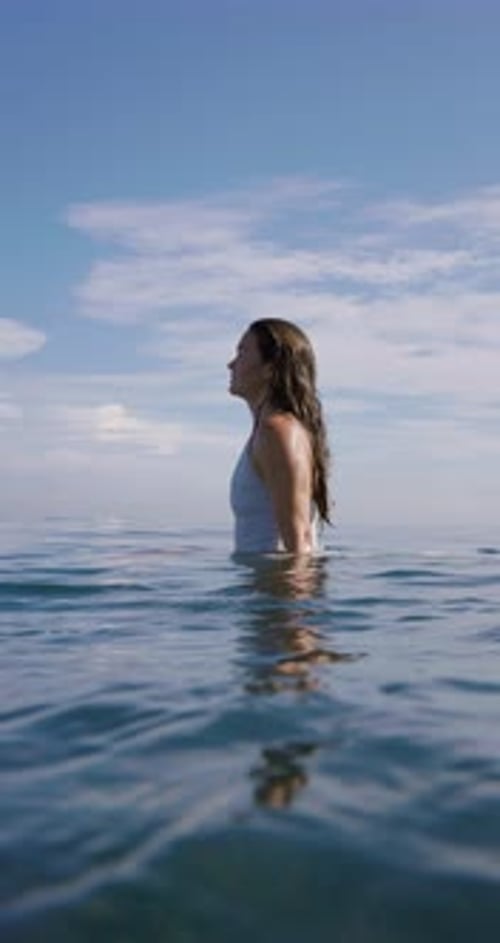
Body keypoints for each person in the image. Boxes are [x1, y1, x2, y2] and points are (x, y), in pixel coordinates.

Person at [228, 318, 331, 554]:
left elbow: (299, 543)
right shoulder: (268, 432)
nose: (231, 364)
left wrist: (294, 590)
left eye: (242, 352)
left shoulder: (278, 432)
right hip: (263, 587)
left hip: (278, 589)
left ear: (270, 367)